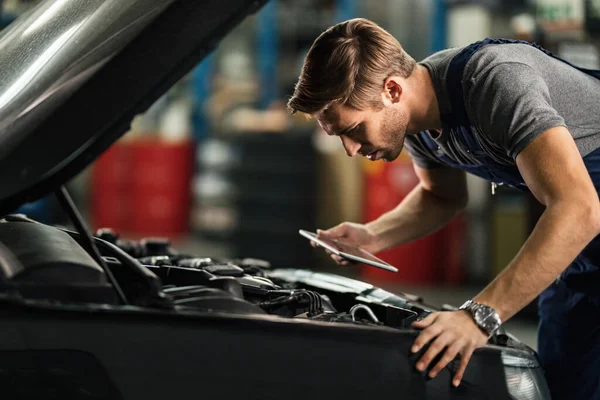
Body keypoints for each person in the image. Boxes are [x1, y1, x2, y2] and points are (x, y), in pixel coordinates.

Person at [287, 18, 600, 399]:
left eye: (353, 129)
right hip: (582, 258)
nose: (351, 150)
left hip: (583, 220)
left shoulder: (495, 82)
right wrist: (372, 235)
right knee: (564, 386)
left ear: (391, 90)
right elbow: (442, 196)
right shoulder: (417, 121)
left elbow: (579, 207)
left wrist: (478, 316)